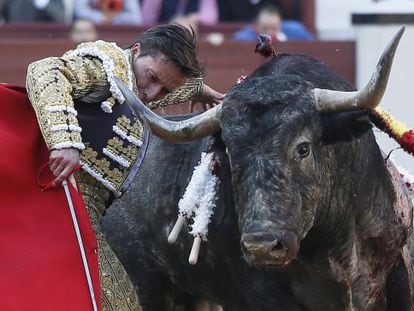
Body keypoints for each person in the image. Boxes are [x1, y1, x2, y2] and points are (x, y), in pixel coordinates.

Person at [24, 23, 223, 310]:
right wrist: (63, 140)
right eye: (151, 77)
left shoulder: (139, 81)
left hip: (78, 215)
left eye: (164, 88)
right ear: (137, 50)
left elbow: (168, 85)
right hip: (56, 202)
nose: (153, 93)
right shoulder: (110, 64)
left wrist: (202, 91)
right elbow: (45, 71)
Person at [233, 4, 313, 42]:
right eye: (265, 28)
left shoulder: (295, 30)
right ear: (257, 26)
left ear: (280, 25)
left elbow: (312, 45)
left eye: (274, 28)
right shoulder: (245, 37)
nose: (270, 32)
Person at [74, 0, 142, 25]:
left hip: (118, 32)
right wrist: (100, 17)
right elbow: (79, 11)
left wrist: (114, 18)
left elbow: (135, 18)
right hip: (94, 30)